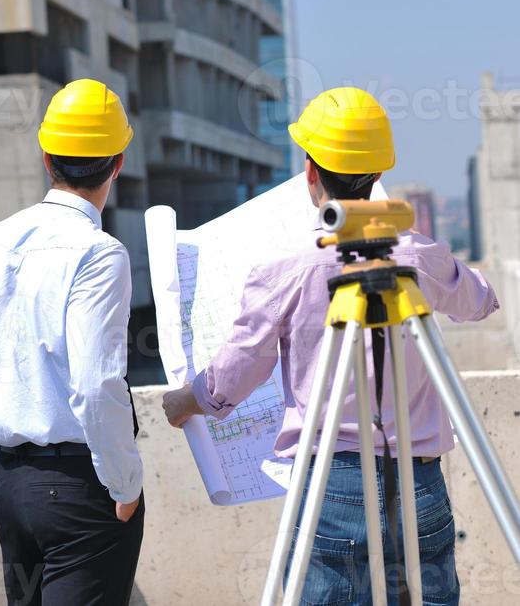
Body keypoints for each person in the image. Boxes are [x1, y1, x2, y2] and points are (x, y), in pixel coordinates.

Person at [162, 87, 498, 605]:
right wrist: (436, 262)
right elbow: (479, 301)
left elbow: (237, 370)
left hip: (331, 484)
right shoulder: (419, 258)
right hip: (420, 482)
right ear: (379, 171)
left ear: (311, 172)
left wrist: (188, 401)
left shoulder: (289, 270)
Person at [0, 79, 144, 606]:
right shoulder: (100, 254)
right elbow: (95, 383)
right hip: (80, 489)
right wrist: (125, 486)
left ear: (46, 157)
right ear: (117, 163)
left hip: (11, 483)